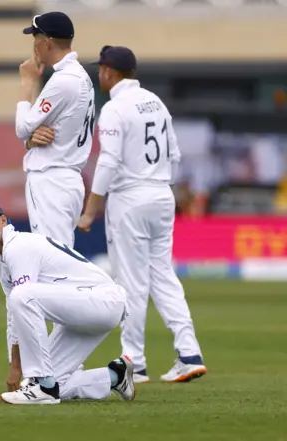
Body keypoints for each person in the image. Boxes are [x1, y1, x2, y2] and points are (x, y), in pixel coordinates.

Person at [77, 46, 207, 383]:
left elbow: (108, 162)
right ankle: (189, 352)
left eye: (101, 69)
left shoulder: (114, 109)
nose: (99, 75)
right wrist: (160, 187)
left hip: (129, 199)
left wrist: (90, 210)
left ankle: (134, 360)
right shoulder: (156, 102)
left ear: (109, 72)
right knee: (163, 275)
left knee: (130, 282)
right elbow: (175, 155)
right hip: (161, 194)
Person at [0, 203, 135, 405]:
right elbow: (14, 315)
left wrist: (22, 369)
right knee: (58, 384)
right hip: (84, 310)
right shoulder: (3, 260)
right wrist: (15, 366)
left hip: (103, 300)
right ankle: (115, 376)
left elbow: (24, 298)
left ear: (3, 220)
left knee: (23, 295)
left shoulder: (18, 245)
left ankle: (41, 384)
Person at [15, 12, 95, 248]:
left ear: (47, 42)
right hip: (65, 178)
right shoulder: (79, 76)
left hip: (53, 180)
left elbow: (22, 127)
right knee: (57, 256)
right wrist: (30, 141)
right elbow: (36, 133)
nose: (34, 45)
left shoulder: (64, 80)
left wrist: (27, 83)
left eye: (36, 38)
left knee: (53, 260)